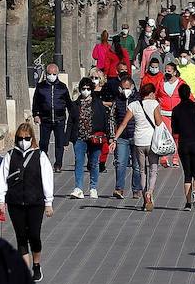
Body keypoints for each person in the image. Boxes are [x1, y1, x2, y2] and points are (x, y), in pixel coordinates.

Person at [0, 123, 55, 282]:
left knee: (34, 235)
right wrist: (1, 201)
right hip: (15, 202)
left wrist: (49, 202)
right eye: (20, 138)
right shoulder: (10, 155)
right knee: (21, 236)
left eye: (27, 138)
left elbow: (47, 179)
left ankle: (36, 265)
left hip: (35, 202)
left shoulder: (40, 155)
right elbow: (2, 179)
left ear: (32, 138)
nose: (23, 141)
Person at [112, 82, 166, 213]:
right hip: (152, 141)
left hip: (139, 142)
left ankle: (144, 199)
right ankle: (150, 193)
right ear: (152, 93)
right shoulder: (154, 104)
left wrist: (114, 139)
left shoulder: (133, 105)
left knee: (142, 171)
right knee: (153, 169)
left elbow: (124, 123)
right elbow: (159, 123)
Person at [66, 77, 109, 200]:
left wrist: (108, 136)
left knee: (94, 163)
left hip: (95, 138)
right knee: (79, 162)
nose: (86, 91)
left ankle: (93, 188)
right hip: (79, 138)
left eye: (88, 89)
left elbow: (104, 120)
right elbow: (71, 122)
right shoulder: (75, 105)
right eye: (83, 89)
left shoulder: (98, 103)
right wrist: (66, 140)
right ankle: (78, 188)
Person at [170, 83, 195, 211]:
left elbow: (175, 130)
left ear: (179, 95)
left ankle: (188, 203)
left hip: (184, 144)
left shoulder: (176, 109)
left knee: (187, 174)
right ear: (189, 93)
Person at [32, 63, 73, 170]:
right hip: (45, 119)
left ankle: (58, 164)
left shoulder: (62, 87)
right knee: (44, 143)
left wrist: (73, 116)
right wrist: (36, 115)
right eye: (49, 74)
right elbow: (35, 102)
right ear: (46, 73)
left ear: (57, 74)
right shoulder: (41, 87)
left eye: (54, 74)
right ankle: (43, 162)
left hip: (59, 119)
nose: (51, 76)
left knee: (59, 143)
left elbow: (68, 103)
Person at [110, 73, 144, 202]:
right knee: (120, 163)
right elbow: (112, 118)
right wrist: (113, 136)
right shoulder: (117, 100)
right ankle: (119, 188)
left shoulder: (138, 100)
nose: (125, 91)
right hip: (122, 137)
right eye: (123, 88)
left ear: (133, 87)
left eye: (127, 88)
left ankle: (136, 189)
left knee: (136, 165)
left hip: (136, 136)